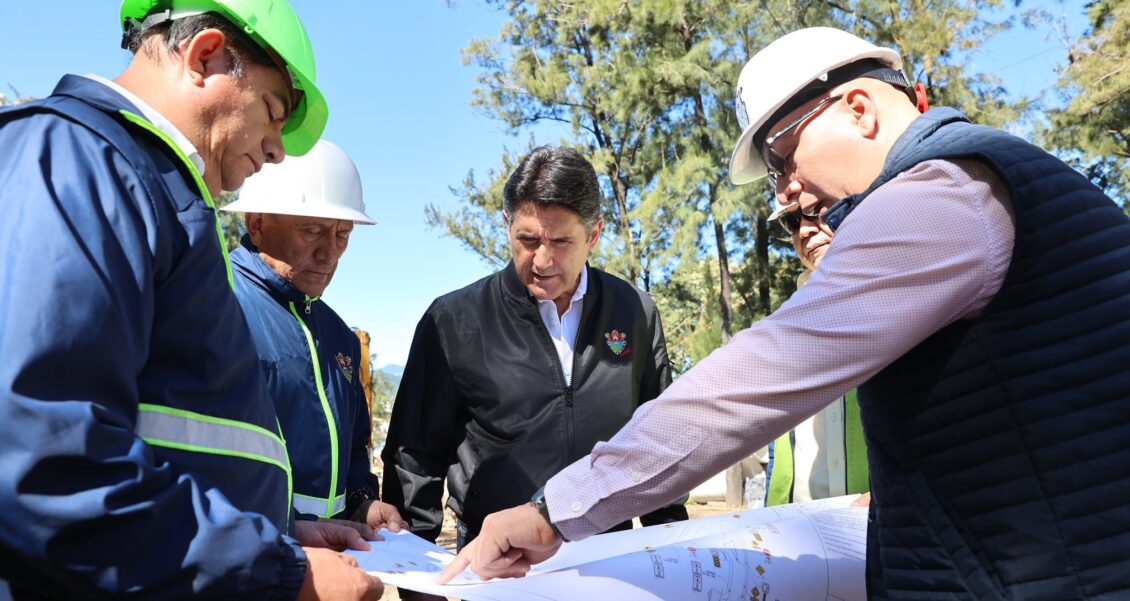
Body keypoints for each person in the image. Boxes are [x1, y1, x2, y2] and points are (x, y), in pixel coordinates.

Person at [440, 26, 1130, 600]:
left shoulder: (939, 197)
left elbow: (760, 376)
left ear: (859, 107)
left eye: (781, 153)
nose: (787, 188)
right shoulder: (986, 185)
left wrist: (554, 509)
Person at [0, 2, 383, 599]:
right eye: (274, 113)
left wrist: (280, 533)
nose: (279, 150)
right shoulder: (77, 162)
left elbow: (175, 441)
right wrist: (279, 572)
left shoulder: (149, 191)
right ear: (206, 56)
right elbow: (39, 458)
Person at [382, 145, 687, 575]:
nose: (541, 260)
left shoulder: (634, 312)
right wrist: (416, 578)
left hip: (610, 563)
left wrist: (671, 553)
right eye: (527, 240)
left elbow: (659, 440)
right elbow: (414, 460)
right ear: (507, 225)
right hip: (497, 568)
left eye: (561, 241)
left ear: (594, 234)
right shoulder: (453, 320)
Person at [222, 139, 408, 531]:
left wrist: (361, 503)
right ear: (257, 223)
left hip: (323, 562)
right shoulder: (216, 307)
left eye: (342, 235)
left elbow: (356, 444)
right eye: (312, 231)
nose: (330, 254)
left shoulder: (339, 336)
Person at [764, 201, 869, 506]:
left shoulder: (907, 303)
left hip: (882, 530)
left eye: (816, 210)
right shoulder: (783, 324)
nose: (805, 230)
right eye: (792, 223)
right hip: (795, 532)